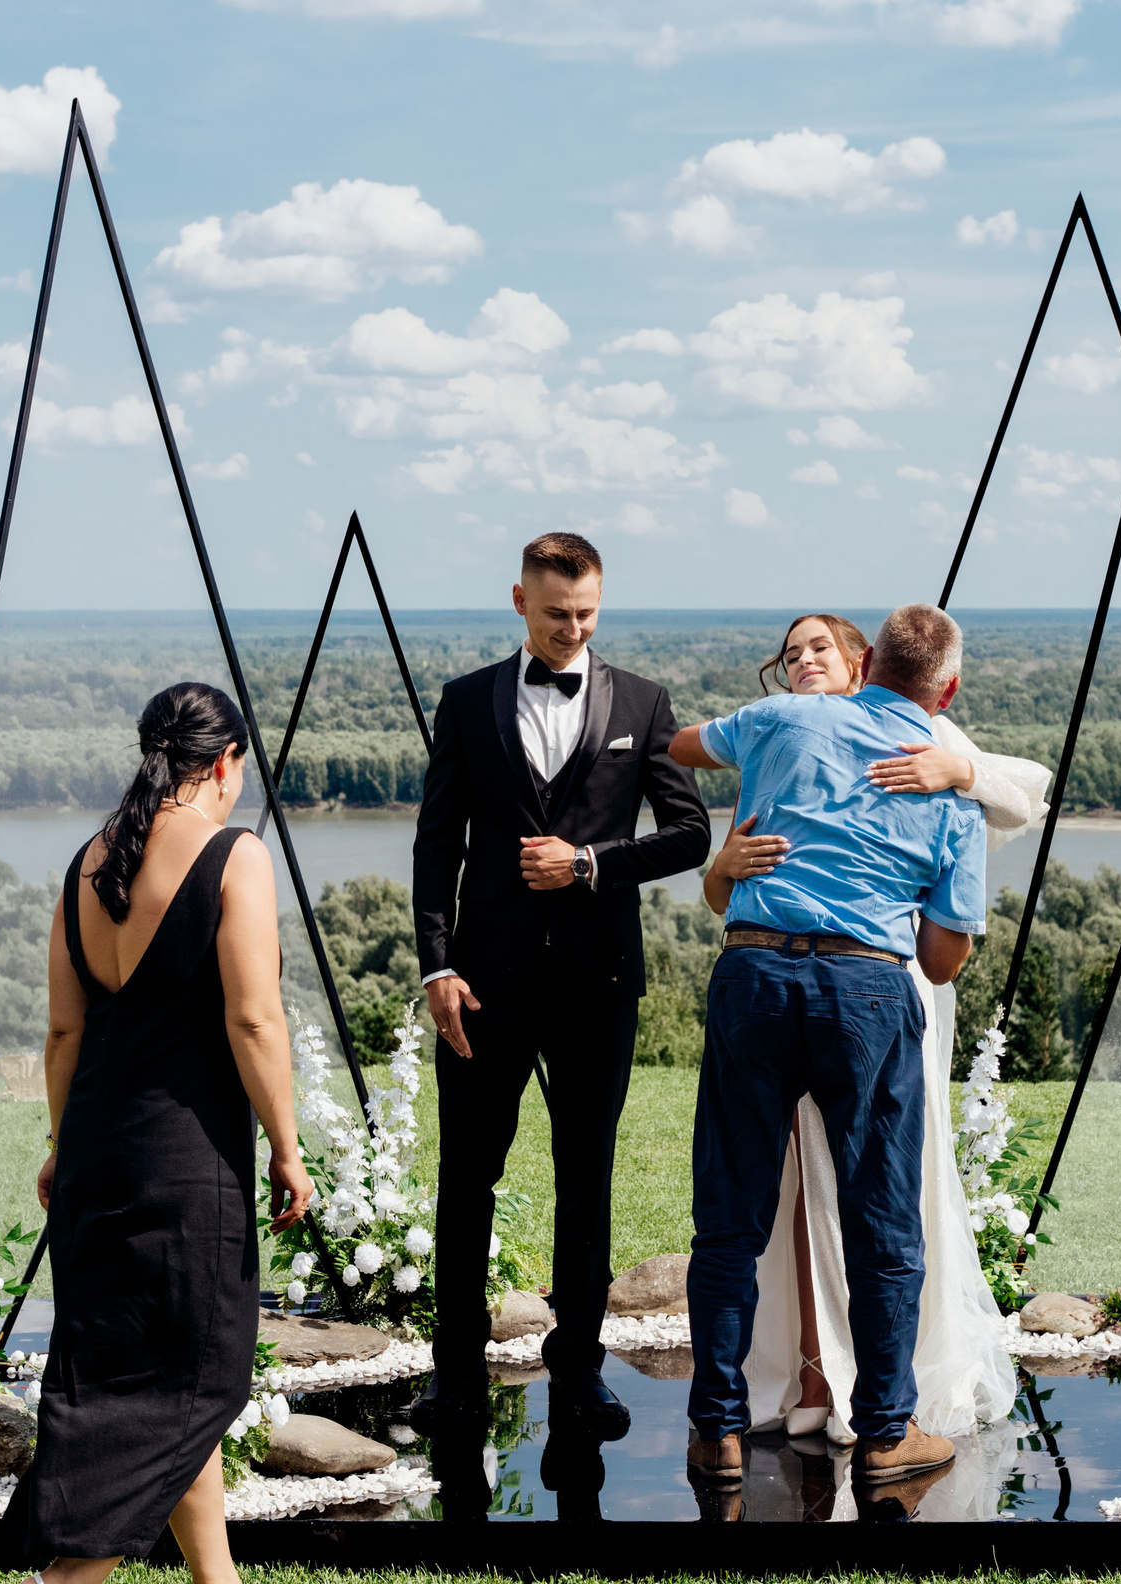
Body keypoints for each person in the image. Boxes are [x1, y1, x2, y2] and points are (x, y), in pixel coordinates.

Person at [0, 683, 315, 1584]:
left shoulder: (92, 858)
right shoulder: (235, 854)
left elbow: (63, 1034)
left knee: (144, 1373)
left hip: (93, 1153)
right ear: (223, 765)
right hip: (185, 1162)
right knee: (204, 1378)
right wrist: (289, 1149)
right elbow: (255, 1022)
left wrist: (57, 1142)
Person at [701, 614, 1047, 1446]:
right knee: (876, 1218)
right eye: (791, 655)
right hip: (864, 990)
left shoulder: (793, 732)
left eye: (820, 647)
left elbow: (1025, 784)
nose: (804, 661)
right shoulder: (928, 780)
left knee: (731, 1216)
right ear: (946, 687)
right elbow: (941, 959)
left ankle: (713, 1428)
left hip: (759, 980)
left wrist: (962, 766)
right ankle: (884, 1426)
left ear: (865, 662)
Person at [410, 532, 710, 1465]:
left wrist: (588, 864)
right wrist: (437, 967)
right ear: (517, 600)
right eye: (554, 614)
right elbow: (435, 846)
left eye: (585, 615)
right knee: (467, 1183)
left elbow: (691, 835)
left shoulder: (644, 702)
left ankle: (579, 1373)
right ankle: (453, 1376)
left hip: (597, 987)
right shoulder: (464, 703)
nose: (571, 631)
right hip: (483, 986)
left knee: (588, 1185)